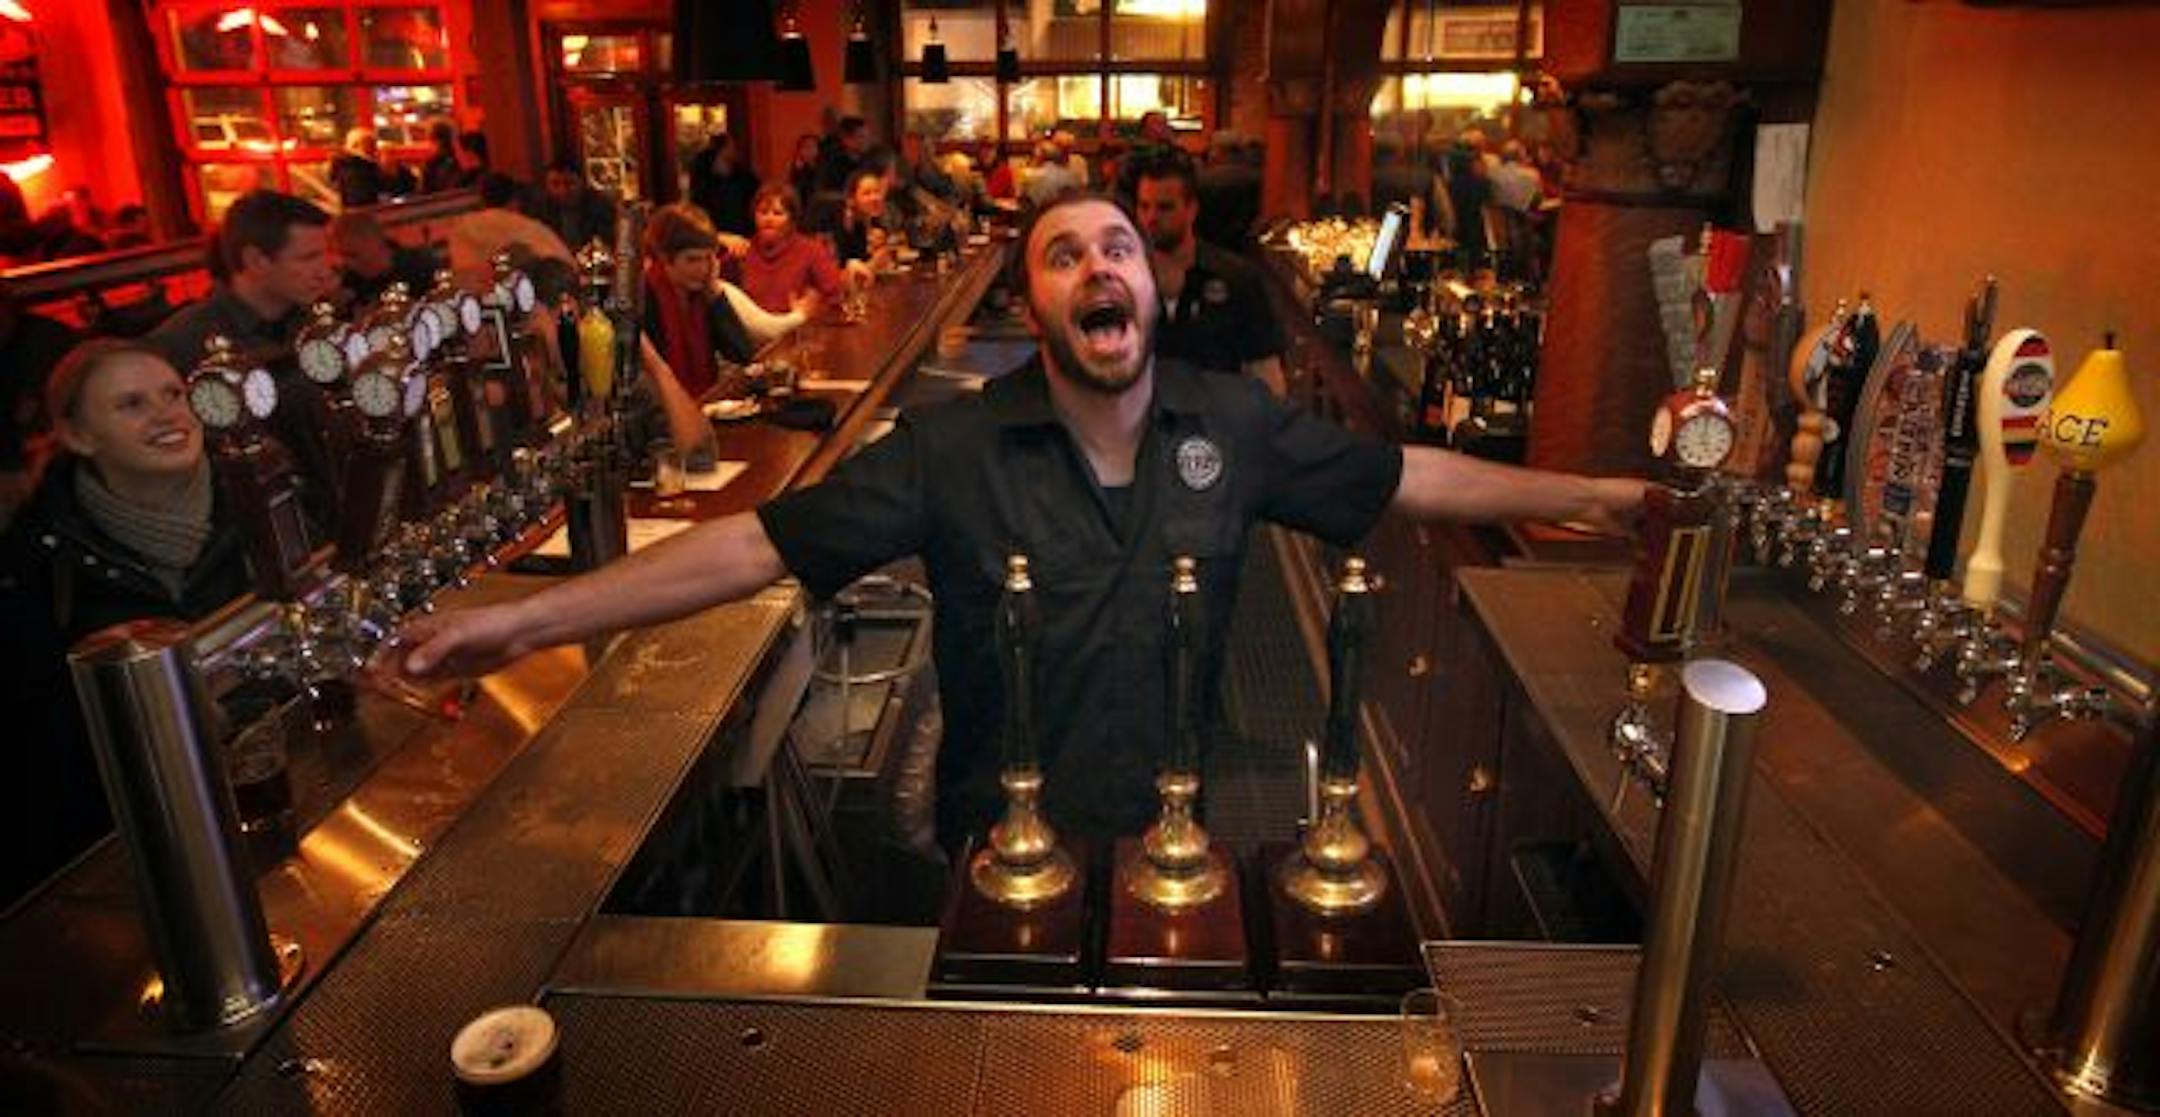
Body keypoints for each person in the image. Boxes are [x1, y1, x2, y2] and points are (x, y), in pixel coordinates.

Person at [397, 191, 1643, 848]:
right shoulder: (951, 450)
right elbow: (750, 545)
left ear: (1150, 285)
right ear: (1032, 301)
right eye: (1065, 255)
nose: (1100, 267)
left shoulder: (1236, 428)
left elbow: (1412, 478)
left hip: (1187, 820)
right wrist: (531, 620)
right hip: (995, 835)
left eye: (1118, 249)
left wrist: (1591, 498)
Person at [0, 340, 255, 906]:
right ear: (77, 436)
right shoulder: (39, 560)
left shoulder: (258, 494)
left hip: (270, 787)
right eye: (132, 404)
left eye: (174, 394)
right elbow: (42, 752)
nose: (168, 413)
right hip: (139, 849)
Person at [144, 189, 340, 516]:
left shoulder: (315, 323)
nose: (326, 269)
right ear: (255, 261)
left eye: (325, 254)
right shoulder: (182, 345)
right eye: (308, 258)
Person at [1132, 153, 1288, 396]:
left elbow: (1266, 373)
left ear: (1192, 209)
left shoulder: (1237, 278)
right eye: (1144, 206)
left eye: (1165, 207)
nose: (1151, 218)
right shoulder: (1125, 281)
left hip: (1218, 422)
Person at [639, 204, 811, 398]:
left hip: (702, 407)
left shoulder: (703, 293)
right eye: (692, 259)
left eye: (708, 259)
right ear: (664, 258)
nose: (703, 269)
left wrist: (714, 293)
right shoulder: (645, 299)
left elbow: (743, 354)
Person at [723, 183, 848, 316]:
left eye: (778, 213)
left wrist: (813, 307)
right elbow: (719, 296)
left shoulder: (810, 250)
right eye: (763, 212)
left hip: (797, 330)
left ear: (792, 220)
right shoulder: (743, 250)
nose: (769, 219)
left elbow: (835, 294)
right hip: (752, 332)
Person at [449, 173, 574, 287]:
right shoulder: (530, 228)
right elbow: (566, 265)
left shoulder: (461, 228)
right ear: (515, 200)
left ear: (482, 201)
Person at [329, 210, 441, 305]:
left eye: (352, 255)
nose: (344, 262)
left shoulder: (420, 268)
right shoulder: (350, 281)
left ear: (374, 243)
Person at [527, 158, 618, 252]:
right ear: (546, 186)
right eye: (555, 184)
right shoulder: (540, 209)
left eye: (569, 183)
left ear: (582, 183)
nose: (563, 191)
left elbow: (607, 242)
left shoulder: (600, 205)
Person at [689, 132, 760, 238]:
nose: (735, 150)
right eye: (731, 146)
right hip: (715, 236)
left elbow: (756, 197)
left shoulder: (744, 176)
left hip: (743, 234)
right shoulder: (703, 177)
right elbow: (699, 208)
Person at [830, 167, 895, 271]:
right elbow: (841, 271)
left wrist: (883, 247)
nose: (874, 198)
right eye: (867, 193)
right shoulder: (842, 224)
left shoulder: (872, 220)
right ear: (851, 199)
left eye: (877, 191)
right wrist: (873, 264)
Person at [331, 128, 389, 209]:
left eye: (374, 143)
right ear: (356, 145)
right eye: (370, 143)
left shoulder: (363, 163)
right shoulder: (353, 167)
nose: (375, 147)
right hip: (364, 212)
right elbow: (361, 198)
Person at [814, 116, 872, 197]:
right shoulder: (831, 163)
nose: (865, 141)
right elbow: (827, 194)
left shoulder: (869, 159)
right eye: (860, 136)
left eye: (867, 136)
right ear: (846, 138)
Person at [421, 121, 463, 194]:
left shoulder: (433, 164)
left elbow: (426, 192)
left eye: (430, 140)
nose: (428, 145)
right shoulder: (459, 158)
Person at [787, 132, 823, 209]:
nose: (809, 150)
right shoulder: (799, 168)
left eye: (812, 146)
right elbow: (795, 191)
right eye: (805, 147)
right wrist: (798, 171)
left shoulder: (825, 168)